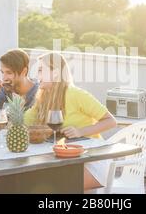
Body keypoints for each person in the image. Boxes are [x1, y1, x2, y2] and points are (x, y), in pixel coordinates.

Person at [24, 52, 117, 191]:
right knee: (30, 179)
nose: (38, 76)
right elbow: (24, 121)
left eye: (41, 70)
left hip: (92, 160)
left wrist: (80, 131)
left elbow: (111, 121)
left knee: (46, 183)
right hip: (66, 160)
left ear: (55, 74)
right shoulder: (43, 98)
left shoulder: (76, 94)